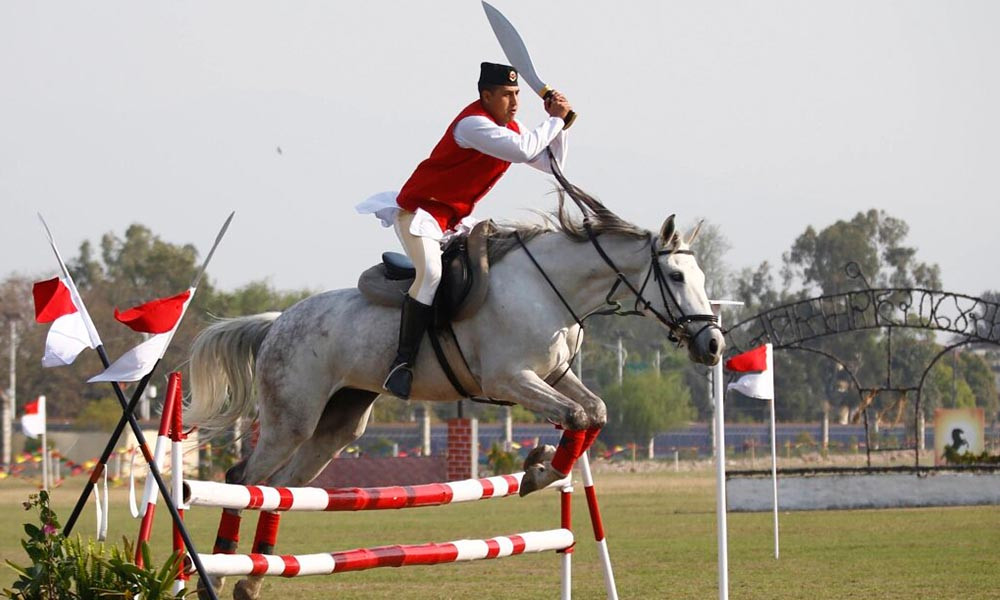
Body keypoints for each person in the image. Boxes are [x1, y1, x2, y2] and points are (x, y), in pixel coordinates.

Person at [357, 61, 573, 399]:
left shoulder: (510, 128)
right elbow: (525, 149)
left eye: (517, 95)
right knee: (429, 275)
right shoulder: (473, 124)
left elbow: (551, 165)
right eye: (506, 95)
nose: (515, 103)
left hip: (454, 221)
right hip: (421, 214)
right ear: (486, 96)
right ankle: (402, 364)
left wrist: (563, 128)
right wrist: (556, 119)